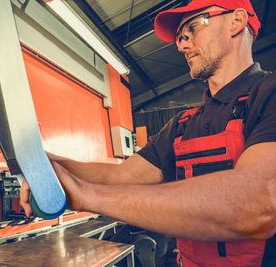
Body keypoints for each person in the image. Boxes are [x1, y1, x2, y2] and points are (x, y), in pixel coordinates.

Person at [21, 0, 276, 265]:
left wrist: (87, 195)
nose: (181, 45)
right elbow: (124, 176)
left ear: (236, 21)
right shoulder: (182, 125)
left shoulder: (268, 94)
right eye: (180, 37)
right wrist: (46, 162)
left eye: (192, 28)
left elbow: (256, 205)